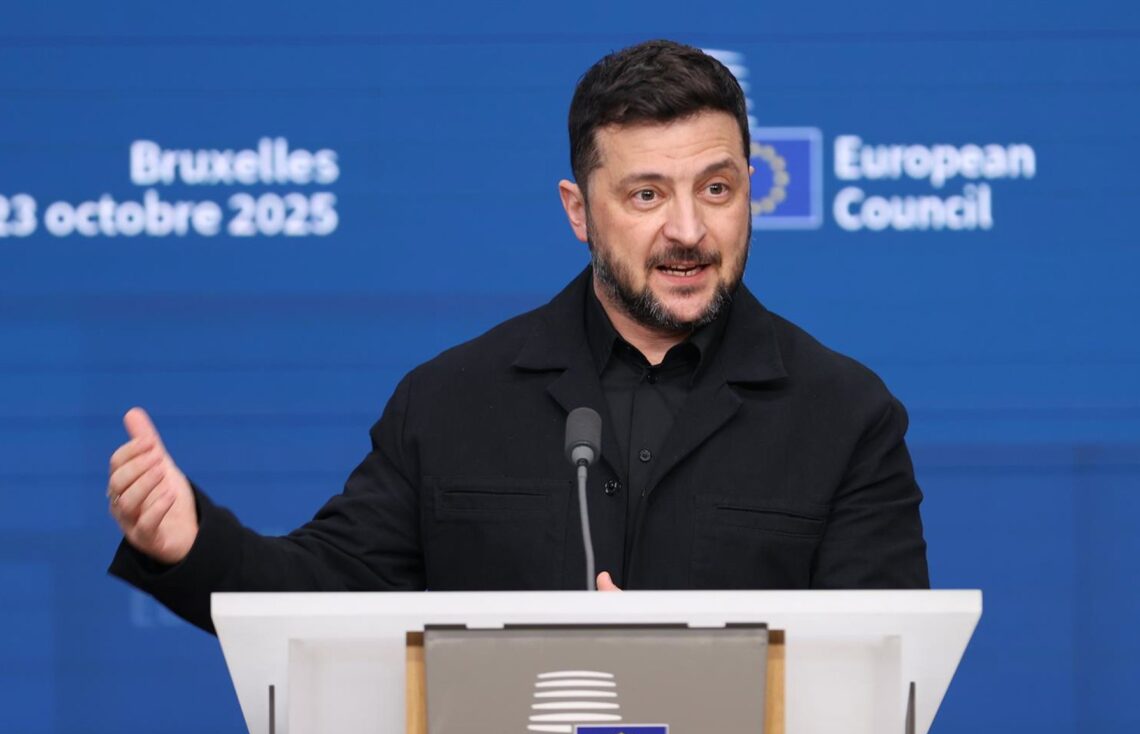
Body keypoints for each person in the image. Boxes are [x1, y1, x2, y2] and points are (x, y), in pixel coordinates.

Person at [107, 40, 929, 633]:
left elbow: (880, 667)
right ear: (579, 210)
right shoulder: (453, 400)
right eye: (646, 195)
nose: (689, 228)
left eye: (716, 189)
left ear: (750, 190)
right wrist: (192, 545)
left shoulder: (845, 413)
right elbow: (329, 594)